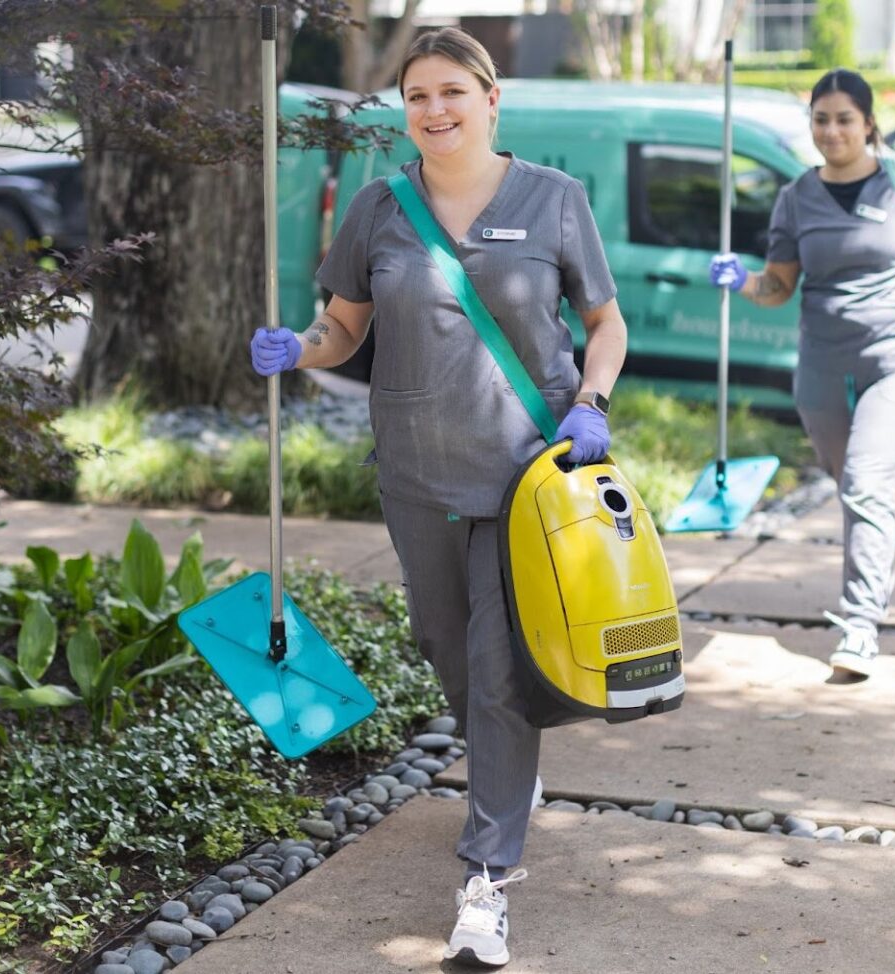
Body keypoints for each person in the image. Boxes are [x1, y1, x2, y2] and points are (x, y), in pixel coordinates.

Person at [250, 27, 626, 969]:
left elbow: (605, 321)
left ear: (491, 97)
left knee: (501, 676)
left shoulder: (554, 199)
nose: (435, 110)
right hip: (416, 474)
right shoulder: (379, 208)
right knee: (446, 646)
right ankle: (508, 768)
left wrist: (592, 402)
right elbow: (341, 328)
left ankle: (486, 881)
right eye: (417, 96)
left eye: (452, 91)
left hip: (526, 479)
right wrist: (297, 349)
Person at [710, 68, 895, 680]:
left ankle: (860, 626)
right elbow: (779, 286)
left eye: (845, 118)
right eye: (821, 118)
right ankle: (868, 591)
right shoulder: (796, 196)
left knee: (868, 483)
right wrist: (740, 279)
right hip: (822, 362)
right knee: (851, 484)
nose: (832, 130)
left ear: (868, 123)